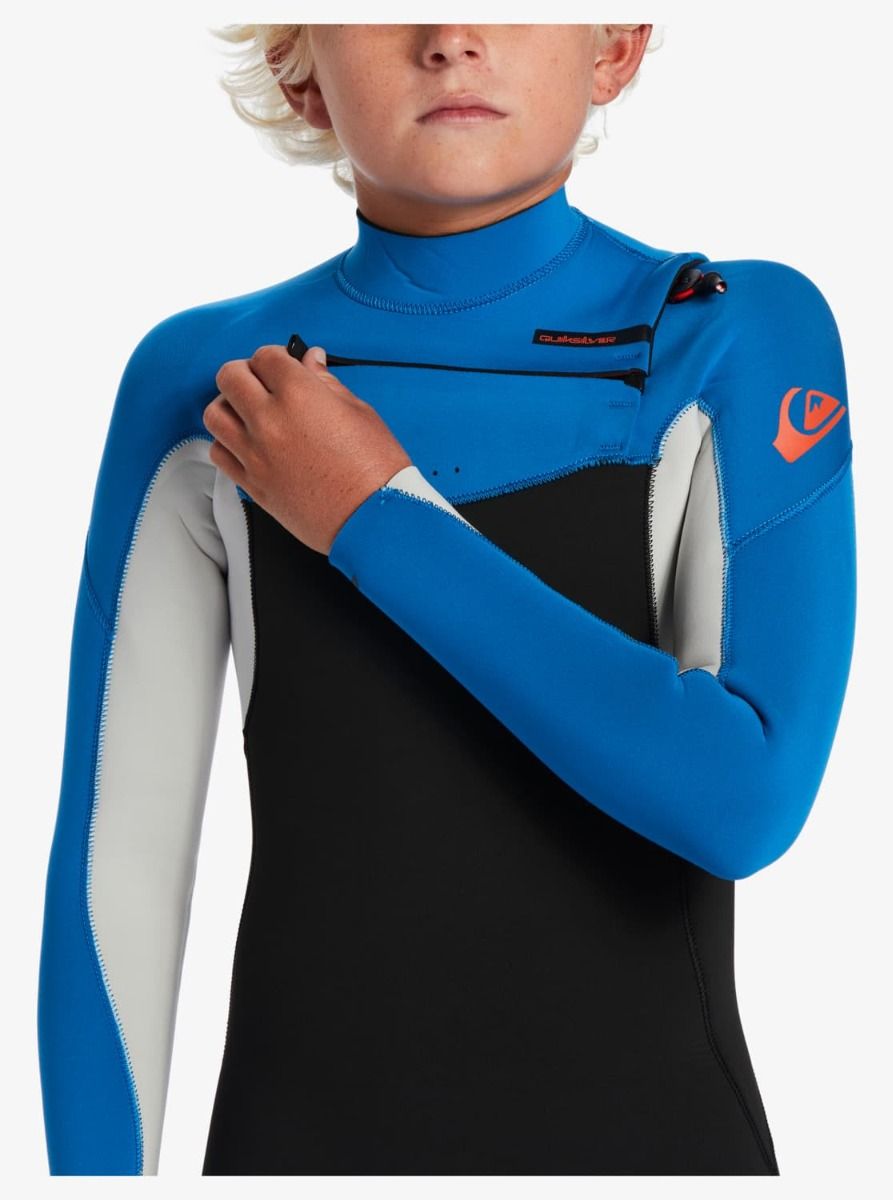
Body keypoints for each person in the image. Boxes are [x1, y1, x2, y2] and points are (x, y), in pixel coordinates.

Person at [36, 24, 857, 1176]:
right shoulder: (208, 381)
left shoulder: (727, 336)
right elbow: (113, 873)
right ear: (299, 72)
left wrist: (368, 512)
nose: (450, 39)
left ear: (613, 49)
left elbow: (741, 801)